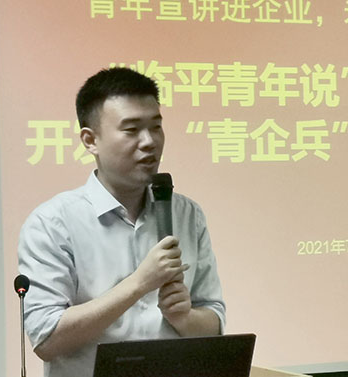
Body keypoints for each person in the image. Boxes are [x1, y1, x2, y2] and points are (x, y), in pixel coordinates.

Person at [17, 67, 225, 377]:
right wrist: (139, 284)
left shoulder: (187, 214)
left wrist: (184, 318)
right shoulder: (52, 224)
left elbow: (214, 324)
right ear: (90, 140)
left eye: (156, 127)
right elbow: (45, 338)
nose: (149, 141)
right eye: (131, 130)